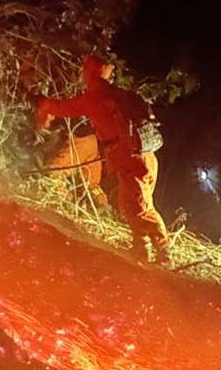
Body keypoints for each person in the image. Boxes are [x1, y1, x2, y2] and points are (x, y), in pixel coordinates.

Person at [34, 56, 169, 260]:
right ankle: (143, 248)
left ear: (89, 74)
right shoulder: (117, 94)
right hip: (145, 156)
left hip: (130, 158)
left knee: (139, 207)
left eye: (84, 71)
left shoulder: (96, 98)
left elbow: (63, 108)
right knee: (132, 204)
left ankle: (164, 248)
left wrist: (37, 101)